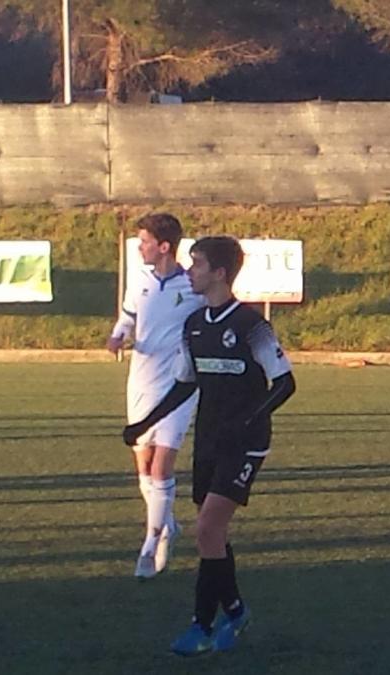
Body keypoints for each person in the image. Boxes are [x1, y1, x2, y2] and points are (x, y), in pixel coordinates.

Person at [122, 236, 296, 655]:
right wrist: (144, 423)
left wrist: (249, 421)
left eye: (197, 264)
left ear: (219, 273)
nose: (189, 272)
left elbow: (285, 383)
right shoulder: (195, 325)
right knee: (211, 535)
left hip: (245, 444)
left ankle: (200, 626)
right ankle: (235, 611)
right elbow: (185, 384)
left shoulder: (251, 326)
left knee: (206, 529)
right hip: (210, 440)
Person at [107, 213, 204, 580]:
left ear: (164, 246)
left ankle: (151, 544)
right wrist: (118, 335)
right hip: (141, 381)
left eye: (145, 241)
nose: (140, 248)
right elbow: (128, 316)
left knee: (162, 467)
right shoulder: (141, 280)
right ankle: (167, 524)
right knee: (144, 468)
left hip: (178, 384)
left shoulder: (192, 286)